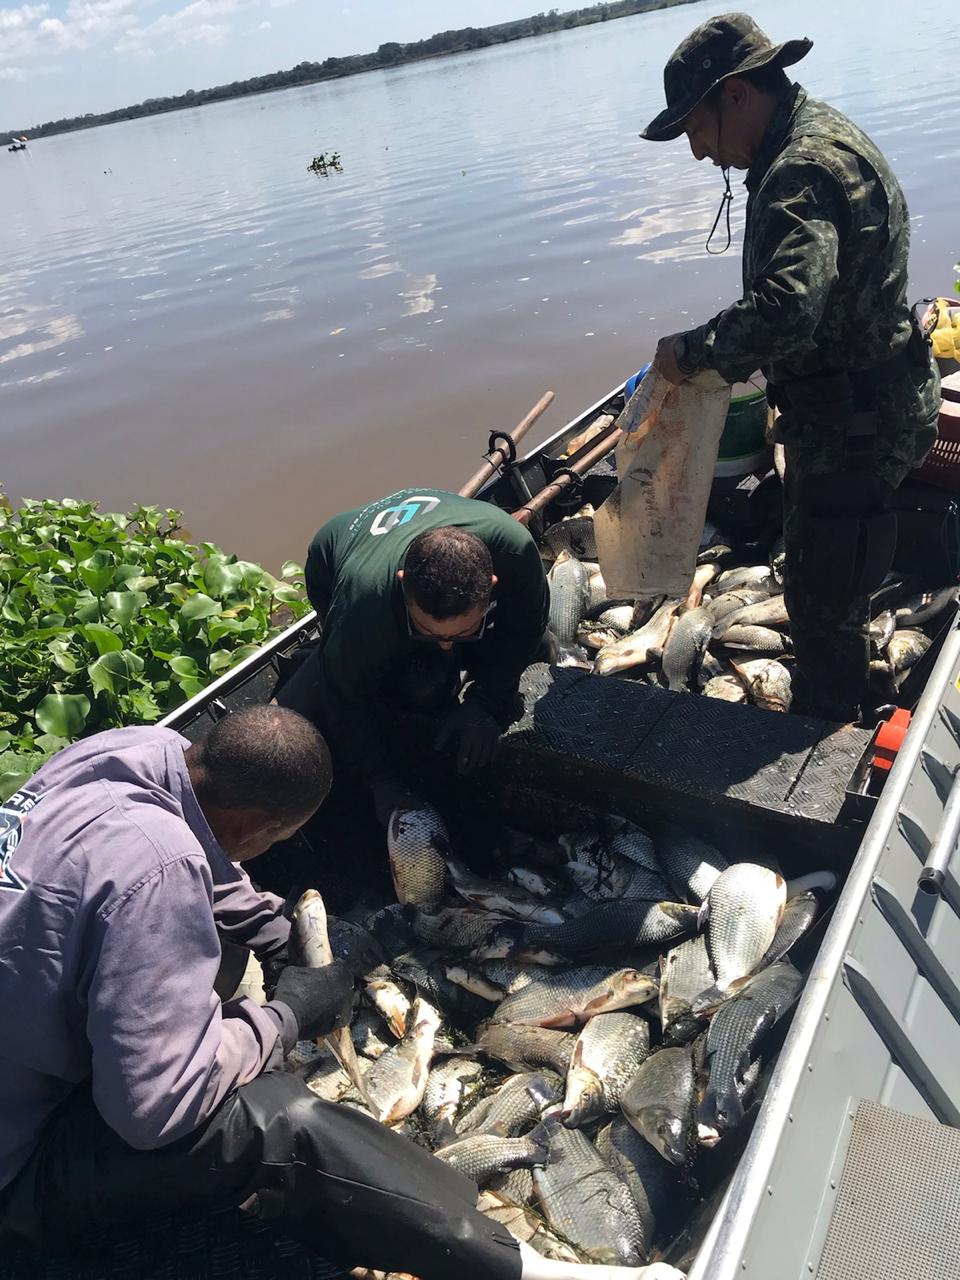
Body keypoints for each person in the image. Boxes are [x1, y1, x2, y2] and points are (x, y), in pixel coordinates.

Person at [0, 706, 682, 1280]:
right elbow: (153, 1111)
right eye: (275, 842)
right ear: (254, 829)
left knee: (217, 968)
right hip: (16, 1175)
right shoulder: (162, 869)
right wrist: (288, 1016)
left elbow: (189, 859)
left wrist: (279, 929)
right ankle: (524, 1269)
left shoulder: (132, 753)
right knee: (273, 1119)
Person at [641, 12, 941, 722]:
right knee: (835, 565)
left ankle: (824, 732)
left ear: (737, 94)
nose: (696, 152)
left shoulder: (799, 170)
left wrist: (689, 352)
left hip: (856, 423)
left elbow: (785, 310)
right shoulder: (820, 135)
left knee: (818, 595)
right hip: (874, 397)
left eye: (695, 128)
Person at [277, 488, 550, 824]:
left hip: (423, 531)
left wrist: (489, 701)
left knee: (539, 648)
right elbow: (343, 698)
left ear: (493, 584)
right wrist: (380, 781)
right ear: (402, 583)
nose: (448, 644)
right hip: (334, 556)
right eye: (430, 631)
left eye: (463, 632)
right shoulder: (364, 604)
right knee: (409, 685)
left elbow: (526, 628)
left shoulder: (517, 550)